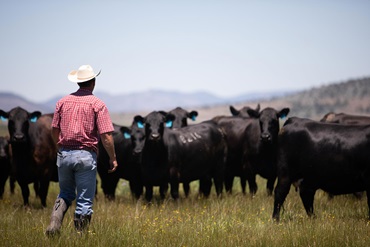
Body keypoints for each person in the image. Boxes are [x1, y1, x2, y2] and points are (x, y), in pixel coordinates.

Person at [45, 65, 118, 236]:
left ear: (78, 82)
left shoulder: (62, 102)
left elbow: (54, 129)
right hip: (86, 156)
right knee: (84, 199)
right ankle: (80, 237)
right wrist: (113, 157)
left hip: (64, 154)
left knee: (65, 193)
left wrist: (60, 147)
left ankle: (54, 224)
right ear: (93, 82)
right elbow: (106, 136)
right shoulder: (97, 104)